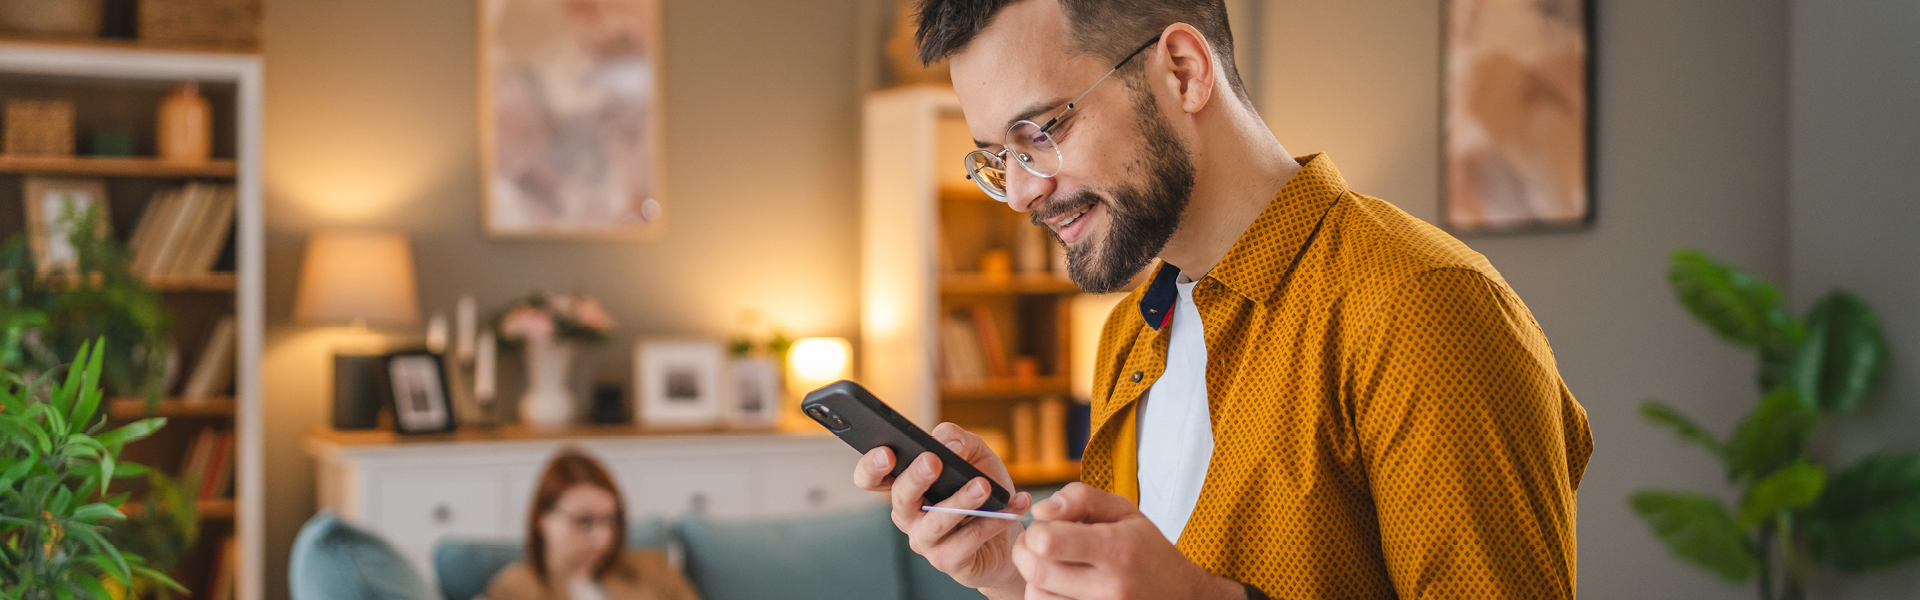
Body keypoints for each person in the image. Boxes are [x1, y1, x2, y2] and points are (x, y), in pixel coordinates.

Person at [851, 1, 1593, 599]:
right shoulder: (1129, 338)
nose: (1020, 193)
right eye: (998, 157)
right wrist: (1016, 570)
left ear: (1182, 70)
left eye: (1041, 131)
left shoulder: (1421, 309)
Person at [486, 449, 699, 600]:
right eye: (584, 522)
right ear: (544, 518)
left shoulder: (655, 569)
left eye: (610, 521)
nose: (604, 537)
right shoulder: (515, 588)